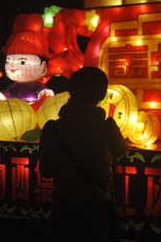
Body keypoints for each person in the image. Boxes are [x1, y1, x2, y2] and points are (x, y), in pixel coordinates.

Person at [39, 67, 128, 242]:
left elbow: (46, 170)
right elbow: (122, 150)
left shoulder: (52, 128)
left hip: (63, 209)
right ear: (102, 95)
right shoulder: (106, 127)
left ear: (71, 91)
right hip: (97, 209)